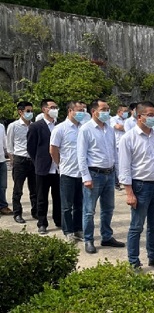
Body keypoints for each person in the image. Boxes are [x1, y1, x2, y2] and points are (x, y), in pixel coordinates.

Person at [119, 101, 154, 269]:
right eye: (150, 115)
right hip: (141, 186)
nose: (153, 118)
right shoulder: (129, 138)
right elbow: (124, 168)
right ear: (139, 116)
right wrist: (129, 193)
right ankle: (133, 261)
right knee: (136, 226)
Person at [77, 98, 125, 253]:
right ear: (94, 111)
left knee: (108, 208)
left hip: (109, 174)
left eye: (108, 109)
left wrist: (118, 173)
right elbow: (81, 155)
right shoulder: (86, 129)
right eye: (103, 109)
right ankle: (89, 239)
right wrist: (86, 177)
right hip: (94, 174)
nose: (107, 112)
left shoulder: (109, 129)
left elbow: (114, 153)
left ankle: (106, 236)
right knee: (89, 210)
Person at [50, 101, 86, 242]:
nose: (82, 113)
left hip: (82, 173)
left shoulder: (84, 128)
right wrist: (60, 164)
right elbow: (53, 149)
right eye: (79, 110)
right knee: (66, 205)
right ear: (70, 111)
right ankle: (68, 231)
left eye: (83, 110)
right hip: (67, 172)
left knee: (79, 204)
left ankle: (78, 229)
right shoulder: (60, 129)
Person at [26, 99, 61, 234]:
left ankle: (58, 219)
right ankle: (42, 223)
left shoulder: (59, 125)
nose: (55, 109)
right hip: (43, 168)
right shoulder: (36, 127)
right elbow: (31, 148)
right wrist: (38, 162)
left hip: (58, 168)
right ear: (44, 109)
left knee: (58, 197)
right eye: (52, 107)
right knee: (42, 197)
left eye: (56, 107)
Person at [6, 101, 37, 224]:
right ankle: (17, 213)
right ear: (20, 112)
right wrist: (13, 160)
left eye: (31, 111)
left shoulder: (34, 126)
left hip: (33, 160)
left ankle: (35, 211)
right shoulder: (13, 126)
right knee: (18, 189)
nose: (30, 113)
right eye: (28, 111)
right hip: (20, 159)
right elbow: (9, 145)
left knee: (34, 189)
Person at [110, 105, 129, 190]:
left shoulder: (127, 120)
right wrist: (127, 128)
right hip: (117, 144)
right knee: (117, 164)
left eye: (127, 111)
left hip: (127, 144)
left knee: (125, 163)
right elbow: (117, 127)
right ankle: (117, 182)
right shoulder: (113, 119)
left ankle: (124, 181)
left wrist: (123, 127)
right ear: (119, 111)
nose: (126, 113)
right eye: (124, 111)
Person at [0, 121, 12, 215]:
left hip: (1, 160)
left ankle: (3, 206)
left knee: (3, 185)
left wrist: (11, 157)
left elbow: (5, 144)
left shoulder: (1, 126)